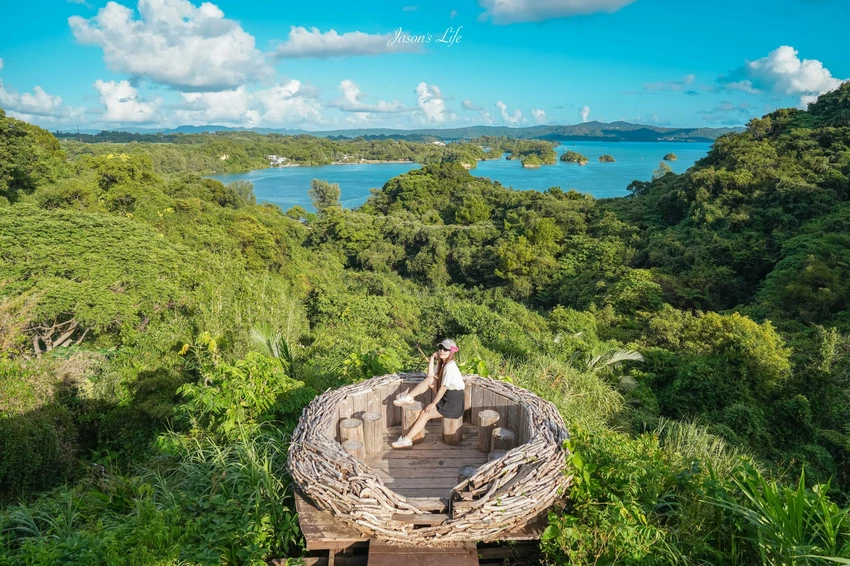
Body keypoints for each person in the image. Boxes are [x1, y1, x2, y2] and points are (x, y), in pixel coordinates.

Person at [391, 338, 465, 449]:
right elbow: (430, 375)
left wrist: (433, 404)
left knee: (425, 414)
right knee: (429, 380)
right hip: (447, 396)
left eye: (446, 349)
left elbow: (443, 389)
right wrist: (432, 358)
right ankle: (408, 398)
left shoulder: (450, 367)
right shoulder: (442, 363)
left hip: (453, 403)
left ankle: (407, 440)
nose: (442, 351)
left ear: (452, 352)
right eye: (440, 348)